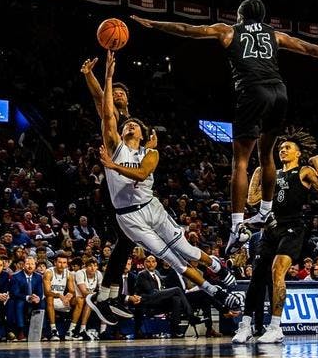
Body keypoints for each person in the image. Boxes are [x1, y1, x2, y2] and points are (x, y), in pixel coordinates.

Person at [131, 0, 318, 253]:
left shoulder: (227, 30)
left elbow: (187, 29)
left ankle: (237, 226)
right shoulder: (275, 34)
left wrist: (154, 23)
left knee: (241, 162)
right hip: (279, 92)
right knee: (267, 155)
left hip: (252, 92)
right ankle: (265, 211)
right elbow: (310, 48)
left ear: (240, 15)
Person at [94, 50, 242, 314]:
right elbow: (106, 114)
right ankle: (215, 292)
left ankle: (218, 268)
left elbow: (140, 174)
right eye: (128, 125)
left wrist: (113, 167)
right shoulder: (115, 146)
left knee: (187, 250)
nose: (130, 126)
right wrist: (107, 76)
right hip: (129, 217)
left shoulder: (150, 153)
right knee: (172, 260)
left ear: (145, 134)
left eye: (136, 126)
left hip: (152, 208)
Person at [235, 129, 318, 344]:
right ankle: (245, 325)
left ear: (298, 153)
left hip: (293, 228)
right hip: (270, 228)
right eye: (280, 148)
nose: (282, 150)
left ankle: (276, 326)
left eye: (287, 148)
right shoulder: (273, 174)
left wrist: (316, 162)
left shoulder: (304, 171)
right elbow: (252, 200)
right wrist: (258, 174)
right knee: (256, 278)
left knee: (277, 271)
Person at [80, 57, 142, 323]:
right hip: (113, 183)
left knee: (130, 239)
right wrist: (90, 75)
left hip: (129, 183)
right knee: (127, 237)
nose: (116, 94)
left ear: (127, 98)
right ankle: (104, 295)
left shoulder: (133, 122)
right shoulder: (113, 117)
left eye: (121, 92)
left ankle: (110, 294)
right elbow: (98, 96)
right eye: (113, 92)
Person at [68, 257, 104, 340]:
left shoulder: (98, 274)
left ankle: (102, 331)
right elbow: (84, 292)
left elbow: (102, 290)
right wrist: (96, 294)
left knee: (101, 301)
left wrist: (99, 295)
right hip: (74, 298)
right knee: (84, 300)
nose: (93, 268)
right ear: (85, 267)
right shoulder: (80, 273)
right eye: (90, 266)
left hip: (88, 298)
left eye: (95, 266)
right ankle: (71, 330)